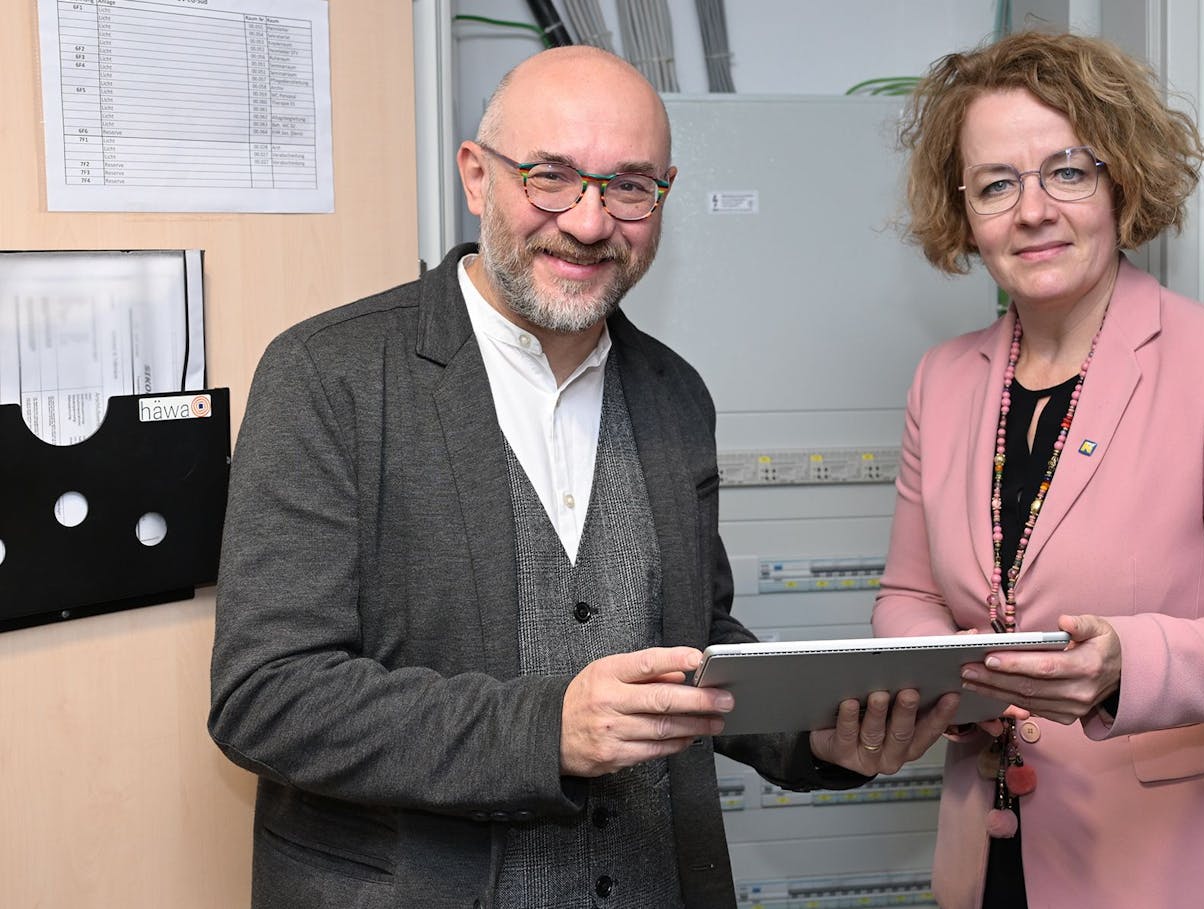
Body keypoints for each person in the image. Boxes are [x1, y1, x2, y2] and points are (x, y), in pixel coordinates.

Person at [208, 46, 956, 909]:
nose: (592, 222)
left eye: (629, 186)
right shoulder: (327, 375)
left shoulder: (676, 396)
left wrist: (821, 738)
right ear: (476, 177)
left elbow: (696, 642)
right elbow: (266, 696)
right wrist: (546, 730)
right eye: (550, 177)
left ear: (663, 194)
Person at [873, 30, 1204, 909]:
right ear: (965, 213)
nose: (1032, 211)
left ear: (1120, 181)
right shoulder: (942, 381)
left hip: (1187, 867)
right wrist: (954, 677)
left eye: (1067, 171)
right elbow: (908, 595)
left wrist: (1127, 661)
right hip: (996, 857)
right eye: (996, 184)